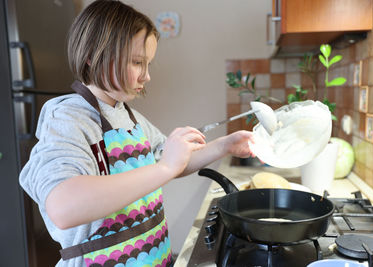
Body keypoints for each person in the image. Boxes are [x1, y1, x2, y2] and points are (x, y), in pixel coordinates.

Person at [19, 1, 255, 267]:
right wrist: (165, 166)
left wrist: (225, 145)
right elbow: (63, 207)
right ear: (92, 56)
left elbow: (172, 163)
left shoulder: (129, 117)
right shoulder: (68, 118)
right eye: (136, 62)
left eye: (148, 64)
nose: (147, 76)